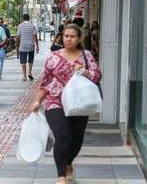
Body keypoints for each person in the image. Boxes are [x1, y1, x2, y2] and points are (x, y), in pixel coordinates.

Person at [31, 24, 101, 184]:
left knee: (76, 139)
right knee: (63, 136)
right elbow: (45, 83)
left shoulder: (87, 56)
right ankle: (61, 176)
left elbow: (97, 76)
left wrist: (84, 71)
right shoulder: (53, 57)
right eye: (66, 36)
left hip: (79, 103)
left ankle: (68, 163)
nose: (68, 39)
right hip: (55, 102)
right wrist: (37, 101)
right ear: (62, 37)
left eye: (72, 36)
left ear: (79, 38)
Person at [17, 14, 39, 81]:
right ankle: (29, 72)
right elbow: (35, 36)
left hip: (22, 45)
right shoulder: (32, 26)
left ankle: (24, 76)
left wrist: (17, 45)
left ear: (23, 18)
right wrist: (37, 46)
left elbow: (18, 36)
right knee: (31, 60)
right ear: (29, 18)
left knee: (23, 61)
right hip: (31, 45)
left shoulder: (20, 26)